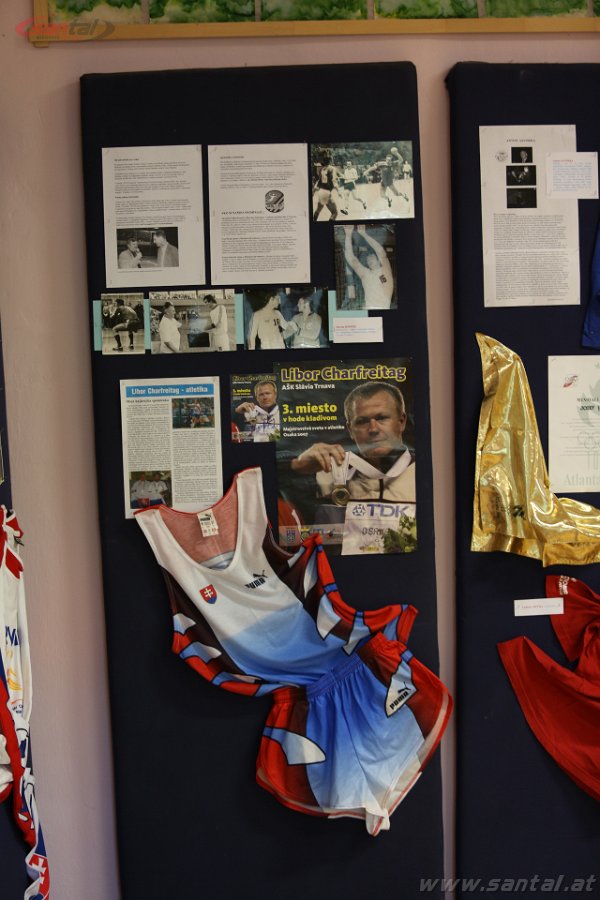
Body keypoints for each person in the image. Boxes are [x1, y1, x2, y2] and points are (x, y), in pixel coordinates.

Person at [290, 381, 415, 506]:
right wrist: (297, 466)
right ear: (350, 430)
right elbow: (285, 496)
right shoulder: (327, 474)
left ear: (401, 421)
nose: (373, 429)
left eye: (381, 418)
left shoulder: (422, 473)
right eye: (362, 421)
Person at [342, 224, 394, 310]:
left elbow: (381, 252)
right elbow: (350, 258)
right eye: (368, 260)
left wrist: (364, 234)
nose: (369, 260)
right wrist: (348, 234)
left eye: (372, 257)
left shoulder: (384, 272)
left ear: (378, 261)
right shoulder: (366, 274)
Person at [312, 157, 339, 222]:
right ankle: (328, 226)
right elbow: (334, 181)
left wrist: (313, 191)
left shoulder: (321, 169)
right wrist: (339, 191)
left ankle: (313, 223)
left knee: (318, 210)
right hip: (327, 192)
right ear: (330, 161)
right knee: (334, 213)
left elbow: (318, 181)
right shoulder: (332, 168)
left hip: (321, 191)